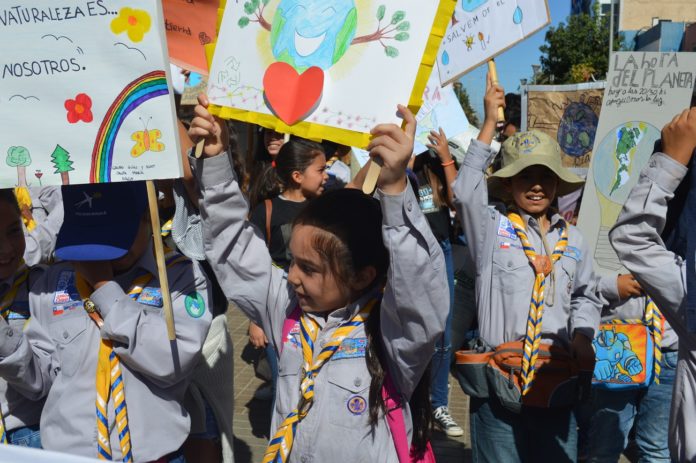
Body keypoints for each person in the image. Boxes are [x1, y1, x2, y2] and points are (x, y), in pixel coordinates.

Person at [189, 94, 448, 462]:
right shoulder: (288, 310)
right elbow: (233, 244)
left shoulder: (391, 334)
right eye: (292, 261)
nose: (291, 276)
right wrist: (215, 161)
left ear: (362, 276)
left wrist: (394, 190)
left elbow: (422, 290)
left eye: (309, 269)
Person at [0, 181, 213, 461]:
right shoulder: (55, 281)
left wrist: (104, 288)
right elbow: (40, 381)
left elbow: (173, 361)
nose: (99, 254)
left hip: (152, 454)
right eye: (89, 239)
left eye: (112, 239)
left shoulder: (180, 278)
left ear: (147, 218)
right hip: (66, 452)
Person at [453, 75, 601, 462]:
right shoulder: (490, 227)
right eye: (526, 176)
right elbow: (465, 192)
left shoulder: (575, 240)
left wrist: (584, 336)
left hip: (556, 380)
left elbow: (587, 295)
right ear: (509, 183)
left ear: (556, 183)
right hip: (498, 382)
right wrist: (489, 124)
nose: (536, 186)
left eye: (545, 177)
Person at [609, 107, 696, 462]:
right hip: (624, 334)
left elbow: (632, 236)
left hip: (670, 346)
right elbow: (586, 287)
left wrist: (669, 164)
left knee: (652, 444)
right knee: (611, 429)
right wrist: (611, 286)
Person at [585, 273, 677, 462]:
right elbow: (576, 281)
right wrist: (611, 285)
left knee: (657, 448)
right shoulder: (608, 243)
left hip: (669, 352)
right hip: (615, 351)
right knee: (604, 443)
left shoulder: (685, 245)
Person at [410, 128, 463, 437]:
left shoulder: (434, 163)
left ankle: (438, 403)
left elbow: (460, 199)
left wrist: (444, 157)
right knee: (411, 331)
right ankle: (410, 403)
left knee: (442, 333)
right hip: (406, 253)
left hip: (439, 249)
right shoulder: (402, 163)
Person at [0, 190, 45, 448]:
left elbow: (39, 382)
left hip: (27, 433)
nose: (6, 249)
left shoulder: (41, 286)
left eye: (14, 231)